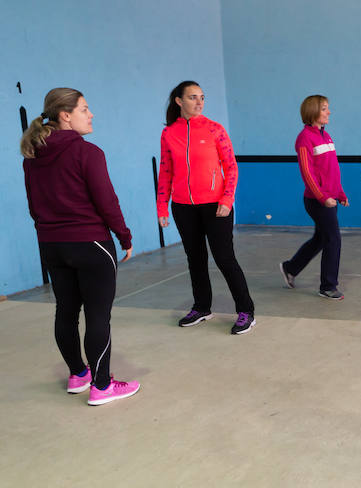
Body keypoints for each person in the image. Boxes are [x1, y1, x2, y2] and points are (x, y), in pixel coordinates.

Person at [21, 88, 140, 406]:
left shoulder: (32, 157)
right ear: (65, 115)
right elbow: (106, 201)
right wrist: (124, 237)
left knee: (66, 311)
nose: (91, 114)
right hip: (90, 245)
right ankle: (102, 386)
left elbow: (34, 206)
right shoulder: (88, 152)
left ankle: (78, 375)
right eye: (85, 109)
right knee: (99, 315)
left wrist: (48, 235)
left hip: (52, 246)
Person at [157, 81, 256, 334]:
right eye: (192, 97)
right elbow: (166, 171)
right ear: (179, 101)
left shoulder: (215, 129)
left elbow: (231, 167)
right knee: (196, 259)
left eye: (202, 97)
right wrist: (162, 207)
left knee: (224, 258)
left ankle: (246, 310)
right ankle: (202, 307)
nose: (199, 102)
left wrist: (226, 200)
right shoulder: (169, 133)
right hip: (183, 207)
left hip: (216, 206)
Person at [279, 95, 349, 299]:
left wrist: (340, 193)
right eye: (325, 109)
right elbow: (307, 174)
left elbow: (332, 171)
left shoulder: (326, 136)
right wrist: (322, 197)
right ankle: (328, 286)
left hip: (330, 199)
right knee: (333, 239)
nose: (329, 112)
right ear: (313, 112)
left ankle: (290, 268)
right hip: (317, 201)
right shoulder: (304, 138)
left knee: (321, 238)